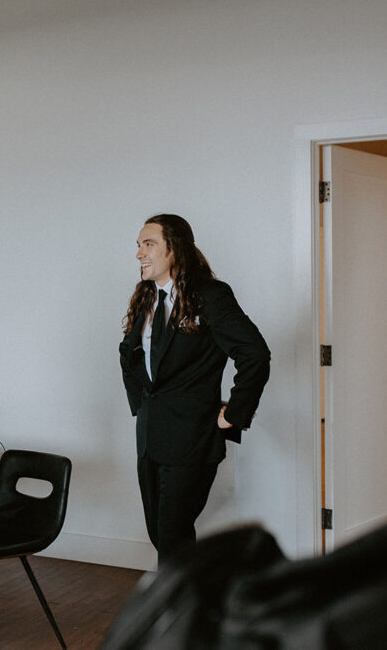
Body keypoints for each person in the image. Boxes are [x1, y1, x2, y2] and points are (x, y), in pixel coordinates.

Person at [119, 213, 270, 566]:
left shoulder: (210, 295)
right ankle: (196, 604)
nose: (139, 253)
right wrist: (142, 406)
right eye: (138, 245)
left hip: (192, 437)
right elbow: (131, 353)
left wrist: (233, 414)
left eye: (148, 244)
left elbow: (255, 355)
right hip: (151, 435)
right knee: (160, 533)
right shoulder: (147, 296)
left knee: (173, 535)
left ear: (175, 249)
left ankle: (178, 614)